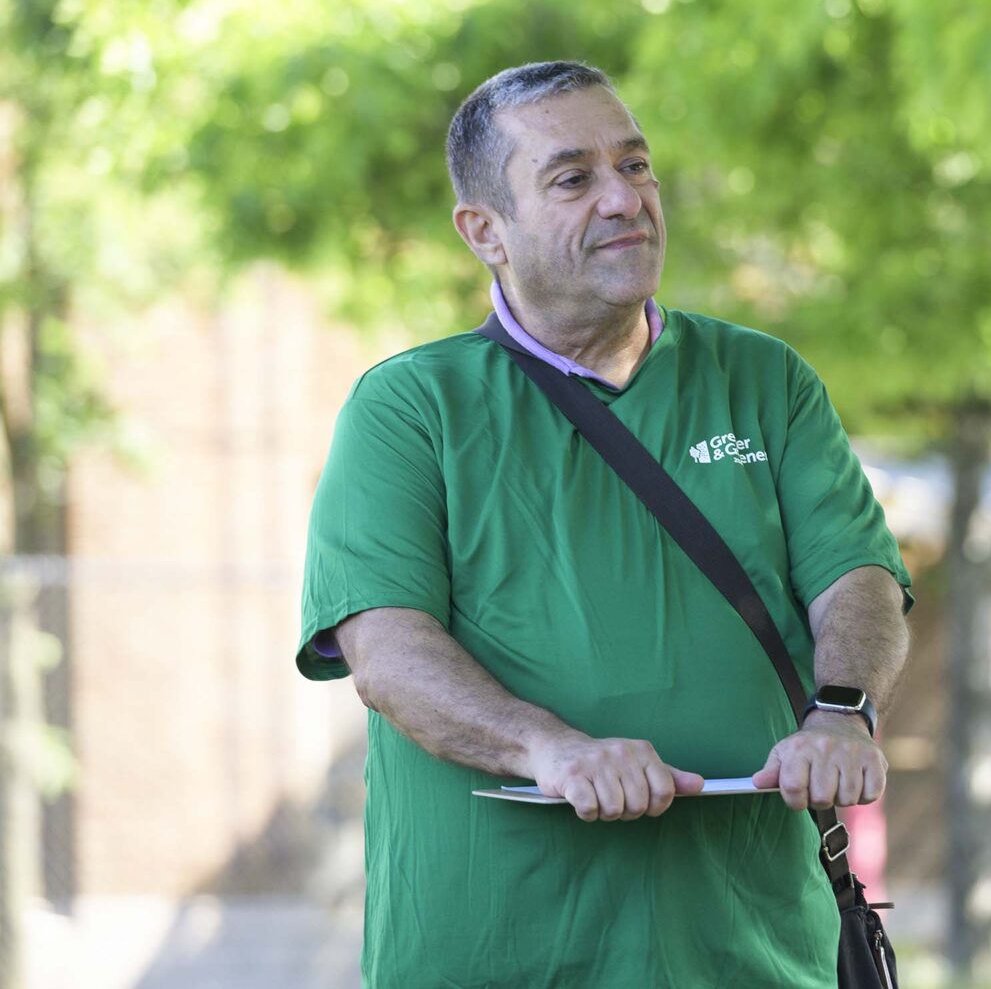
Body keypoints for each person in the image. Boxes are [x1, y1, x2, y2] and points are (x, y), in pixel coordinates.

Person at [296, 60, 914, 988]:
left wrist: (843, 711)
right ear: (485, 232)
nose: (625, 198)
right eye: (572, 178)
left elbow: (858, 577)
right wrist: (549, 749)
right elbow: (387, 654)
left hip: (752, 950)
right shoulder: (411, 408)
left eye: (635, 165)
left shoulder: (765, 380)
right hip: (500, 956)